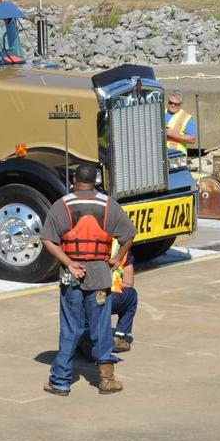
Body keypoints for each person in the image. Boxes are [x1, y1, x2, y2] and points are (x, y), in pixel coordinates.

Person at [39, 163, 136, 396]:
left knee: (71, 328)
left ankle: (60, 381)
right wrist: (116, 259)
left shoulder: (62, 205)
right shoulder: (108, 205)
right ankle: (106, 379)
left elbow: (47, 239)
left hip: (72, 275)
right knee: (101, 327)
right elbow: (129, 234)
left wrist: (69, 262)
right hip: (100, 275)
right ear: (96, 180)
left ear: (74, 179)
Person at [109, 250, 138, 353]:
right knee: (131, 295)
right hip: (111, 296)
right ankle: (120, 337)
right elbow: (129, 283)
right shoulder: (121, 251)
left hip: (85, 296)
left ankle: (85, 337)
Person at [165, 90, 197, 158]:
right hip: (160, 152)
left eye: (176, 104)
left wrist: (175, 135)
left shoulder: (187, 118)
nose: (172, 105)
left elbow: (192, 139)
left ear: (180, 104)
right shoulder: (160, 113)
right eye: (170, 103)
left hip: (177, 155)